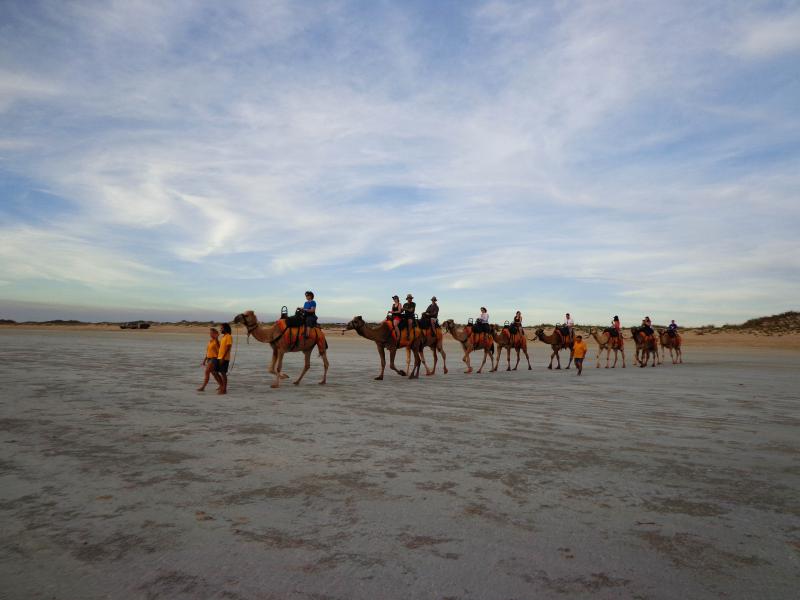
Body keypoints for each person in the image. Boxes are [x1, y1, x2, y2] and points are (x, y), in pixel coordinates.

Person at [216, 323, 233, 395]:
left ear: (225, 328)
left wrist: (223, 357)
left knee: (223, 373)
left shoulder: (229, 336)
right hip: (219, 357)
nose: (220, 329)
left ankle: (224, 389)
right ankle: (221, 386)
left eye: (222, 328)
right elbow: (220, 347)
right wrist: (216, 339)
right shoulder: (223, 337)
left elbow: (228, 347)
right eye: (220, 328)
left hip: (225, 358)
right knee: (216, 372)